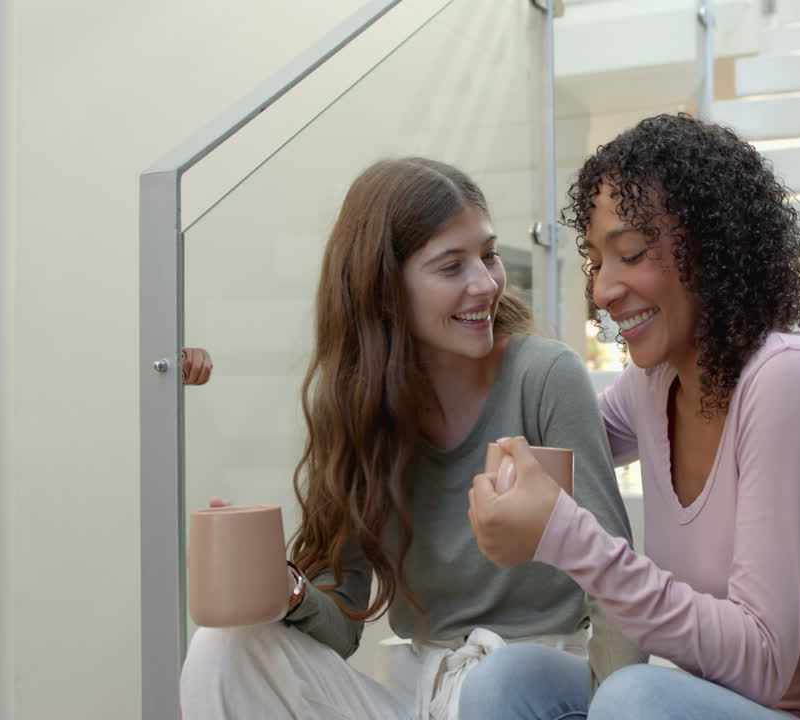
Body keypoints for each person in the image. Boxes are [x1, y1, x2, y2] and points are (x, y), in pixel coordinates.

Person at [468, 114, 800, 720]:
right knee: (505, 681)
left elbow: (761, 662)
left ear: (713, 245)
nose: (602, 291)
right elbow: (559, 444)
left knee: (634, 700)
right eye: (598, 262)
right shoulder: (654, 384)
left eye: (630, 253)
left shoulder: (789, 383)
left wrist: (572, 541)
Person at [180, 157, 644, 720]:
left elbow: (615, 580)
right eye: (451, 267)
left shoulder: (544, 376)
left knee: (495, 682)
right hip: (420, 695)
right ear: (384, 290)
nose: (485, 283)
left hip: (534, 686)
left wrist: (620, 708)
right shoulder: (358, 408)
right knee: (223, 647)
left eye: (488, 255)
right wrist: (287, 590)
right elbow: (341, 623)